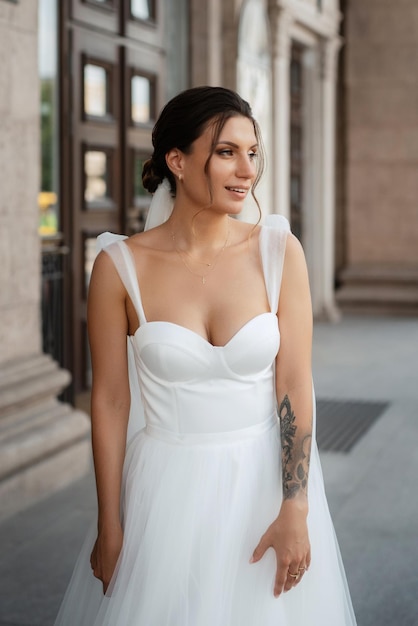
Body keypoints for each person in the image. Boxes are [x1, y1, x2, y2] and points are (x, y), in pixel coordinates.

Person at [55, 86, 357, 625]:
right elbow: (109, 401)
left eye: (252, 152)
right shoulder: (118, 267)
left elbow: (293, 383)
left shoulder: (279, 252)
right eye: (226, 152)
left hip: (263, 486)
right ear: (177, 160)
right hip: (165, 491)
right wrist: (110, 522)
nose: (246, 170)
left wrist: (296, 505)